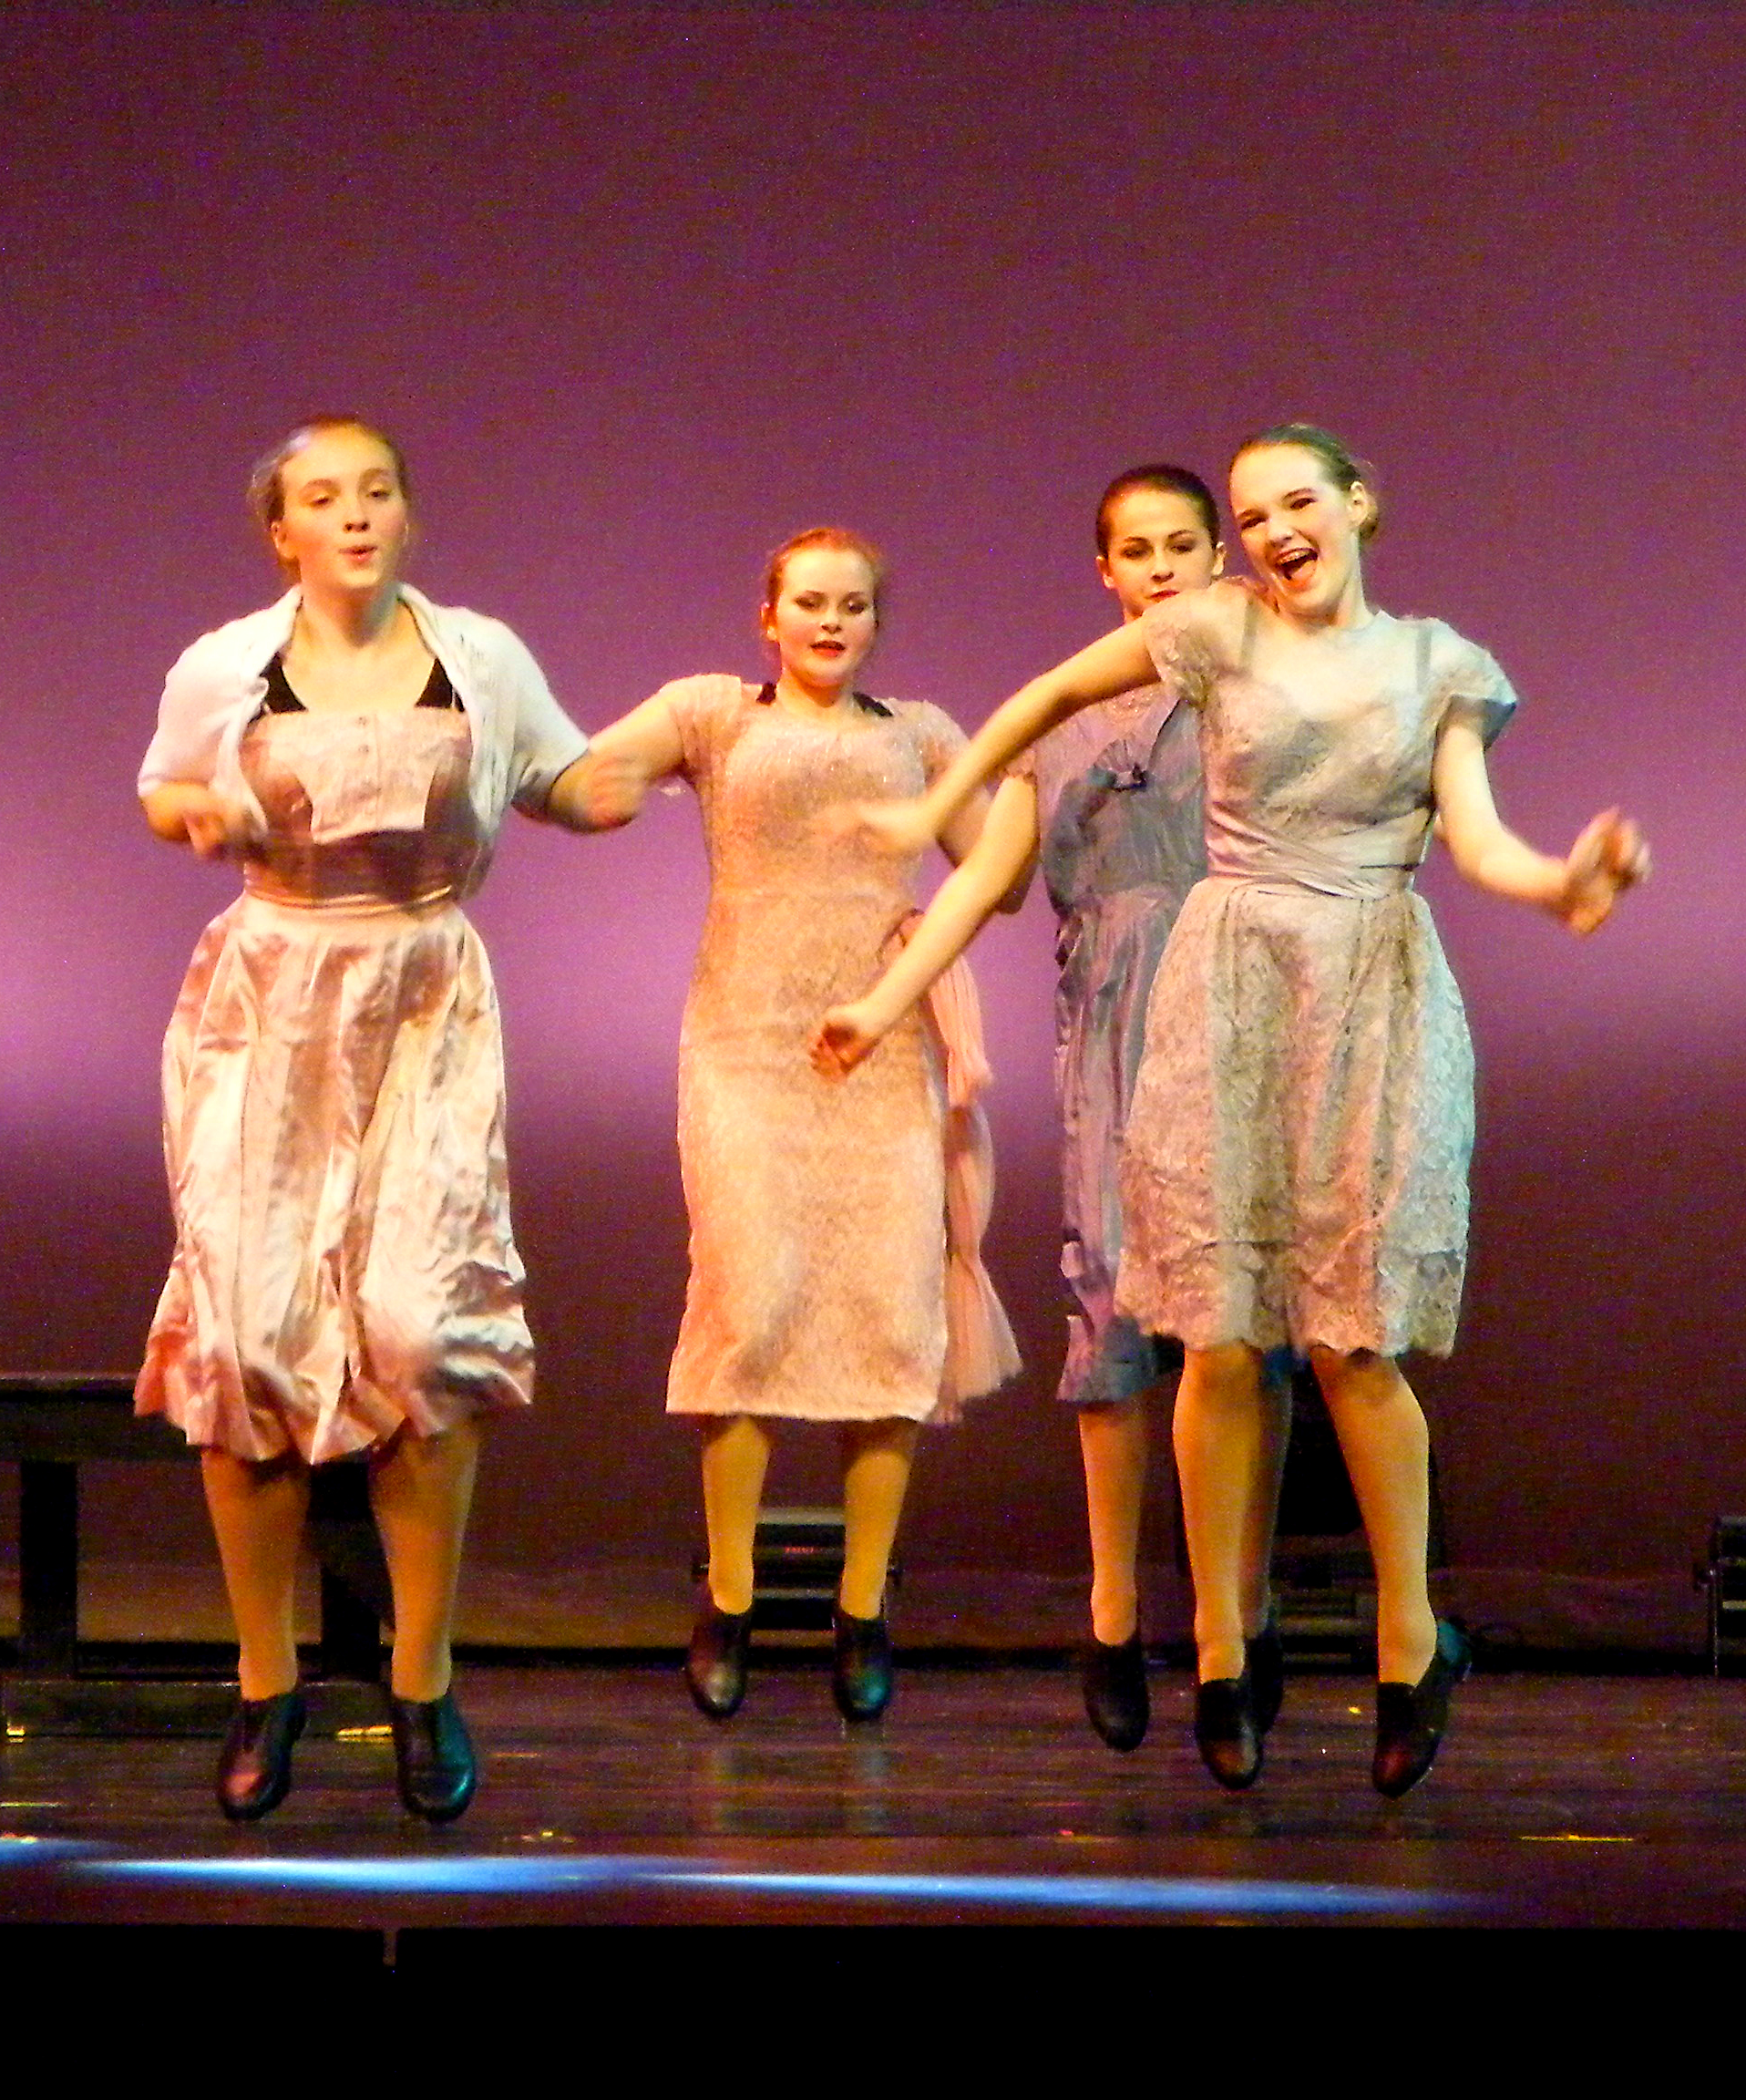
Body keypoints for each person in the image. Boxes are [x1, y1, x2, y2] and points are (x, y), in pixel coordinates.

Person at [820, 426, 1647, 1795]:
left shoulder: (1437, 664)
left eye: (1294, 504)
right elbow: (1046, 695)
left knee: (1352, 1339)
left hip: (1368, 983)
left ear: (1359, 504)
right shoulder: (1217, 631)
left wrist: (1561, 883)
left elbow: (1476, 833)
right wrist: (933, 810)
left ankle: (1408, 1635)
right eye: (1252, 516)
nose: (1272, 532)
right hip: (1229, 982)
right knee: (1213, 1333)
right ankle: (1218, 1645)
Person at [136, 415, 640, 1822]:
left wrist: (643, 768)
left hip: (424, 997)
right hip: (268, 1003)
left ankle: (422, 1681)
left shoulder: (479, 656)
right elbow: (163, 785)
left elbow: (563, 778)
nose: (354, 514)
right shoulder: (226, 664)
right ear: (281, 532)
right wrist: (193, 815)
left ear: (406, 516)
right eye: (323, 496)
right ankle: (266, 1683)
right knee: (247, 1346)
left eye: (376, 492)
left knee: (422, 1336)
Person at [812, 467, 1290, 1754]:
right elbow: (991, 882)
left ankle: (1236, 1623)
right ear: (1105, 570)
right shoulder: (1066, 715)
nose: (1161, 569)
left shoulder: (1265, 692)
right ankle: (1113, 1614)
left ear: (1218, 555)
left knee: (1247, 1325)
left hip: (1248, 1012)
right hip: (1119, 1030)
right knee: (1114, 1308)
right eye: (1136, 550)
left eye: (1182, 545)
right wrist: (886, 997)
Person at [586, 528, 1020, 1724]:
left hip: (879, 1049)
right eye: (811, 603)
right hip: (747, 1045)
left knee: (887, 1312)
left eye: (854, 605)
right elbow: (583, 777)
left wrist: (968, 849)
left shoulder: (918, 733)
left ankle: (862, 1608)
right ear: (767, 615)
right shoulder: (715, 715)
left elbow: (1001, 872)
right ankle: (726, 1600)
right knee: (747, 1299)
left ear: (877, 619)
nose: (832, 622)